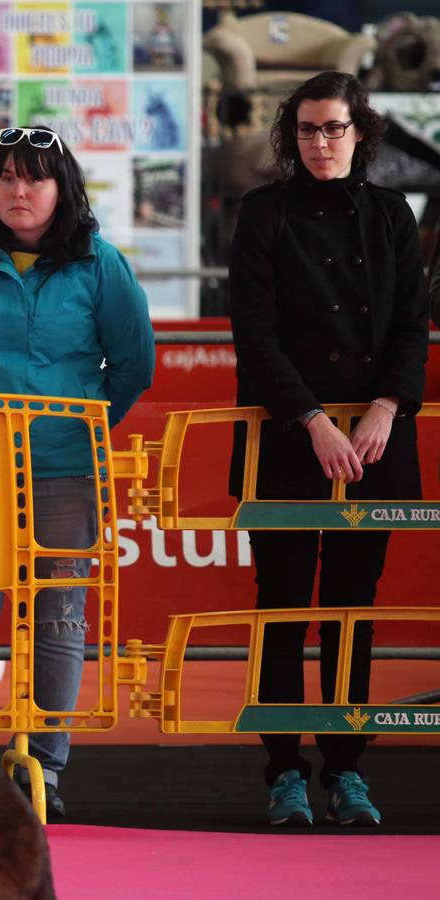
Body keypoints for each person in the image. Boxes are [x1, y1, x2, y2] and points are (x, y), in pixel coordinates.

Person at [0, 125, 155, 820]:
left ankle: (43, 768)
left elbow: (135, 363)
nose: (19, 191)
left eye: (35, 178)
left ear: (64, 189)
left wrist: (81, 425)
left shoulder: (99, 264)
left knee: (58, 620)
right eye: (6, 177)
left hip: (63, 471)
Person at [229, 71, 429, 828]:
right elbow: (255, 333)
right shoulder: (264, 212)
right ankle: (284, 772)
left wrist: (385, 407)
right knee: (279, 609)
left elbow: (414, 326)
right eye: (308, 130)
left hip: (377, 444)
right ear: (292, 136)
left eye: (334, 129)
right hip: (286, 439)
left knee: (354, 611)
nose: (320, 142)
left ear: (360, 133)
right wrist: (313, 420)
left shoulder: (391, 215)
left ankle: (347, 770)